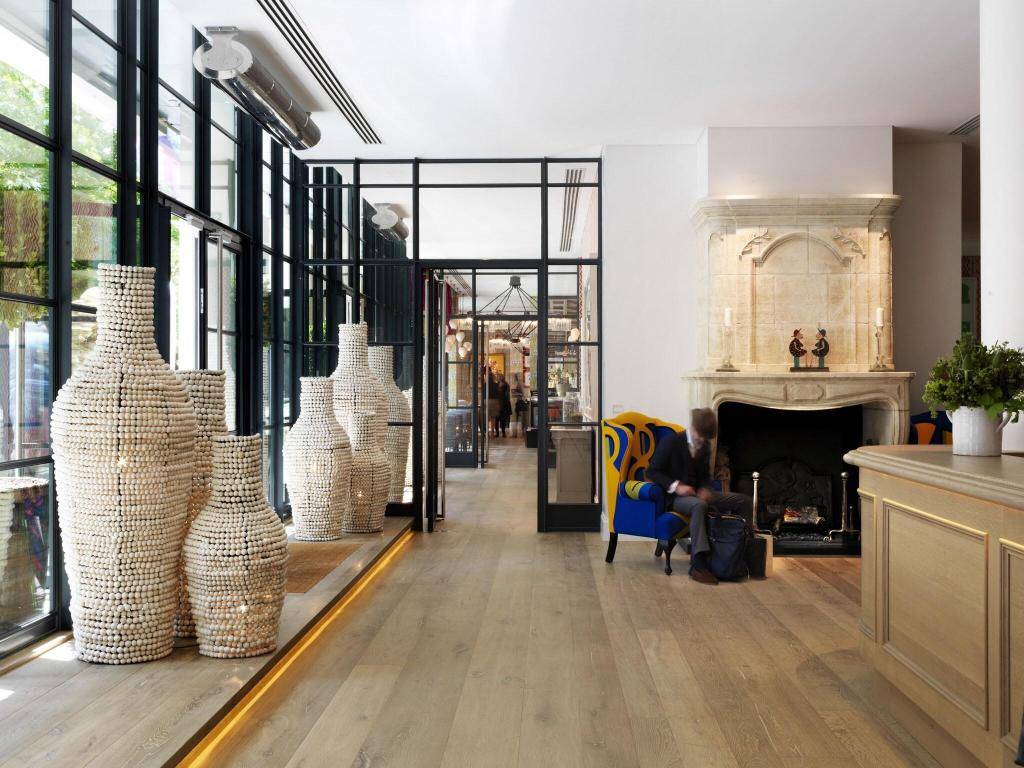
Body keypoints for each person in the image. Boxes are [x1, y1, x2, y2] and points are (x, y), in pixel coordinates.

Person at [645, 408, 753, 585]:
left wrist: (705, 489)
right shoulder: (671, 442)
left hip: (698, 494)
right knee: (698, 506)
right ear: (693, 427)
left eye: (705, 438)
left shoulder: (705, 446)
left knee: (744, 501)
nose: (702, 441)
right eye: (700, 436)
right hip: (676, 498)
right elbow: (651, 472)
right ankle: (699, 564)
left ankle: (740, 555)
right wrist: (677, 486)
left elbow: (705, 477)